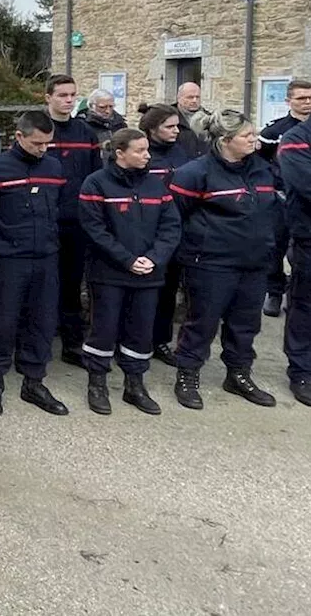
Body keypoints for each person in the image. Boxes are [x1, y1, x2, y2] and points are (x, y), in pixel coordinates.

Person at [169, 110, 280, 410]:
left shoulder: (261, 169)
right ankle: (187, 374)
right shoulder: (194, 173)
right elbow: (174, 217)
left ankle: (238, 374)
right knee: (201, 322)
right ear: (226, 140)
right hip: (210, 263)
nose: (255, 140)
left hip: (254, 262)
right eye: (247, 136)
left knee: (245, 324)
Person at [0, 111, 69, 416]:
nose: (43, 149)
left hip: (46, 256)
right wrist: (1, 244)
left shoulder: (53, 167)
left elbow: (59, 208)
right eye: (37, 143)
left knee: (42, 320)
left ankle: (34, 380)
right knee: (3, 319)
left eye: (48, 144)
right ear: (19, 137)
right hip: (8, 259)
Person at [77, 128, 181, 416]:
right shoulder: (95, 184)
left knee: (141, 331)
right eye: (140, 150)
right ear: (120, 153)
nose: (147, 155)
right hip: (108, 273)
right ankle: (96, 383)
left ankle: (134, 385)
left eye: (147, 149)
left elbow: (171, 226)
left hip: (148, 275)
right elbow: (94, 230)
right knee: (104, 329)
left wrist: (154, 258)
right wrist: (127, 259)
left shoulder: (156, 186)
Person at [43, 74, 102, 367]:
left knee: (71, 286)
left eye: (72, 95)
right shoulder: (39, 131)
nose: (68, 100)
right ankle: (35, 343)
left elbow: (96, 178)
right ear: (48, 98)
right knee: (40, 285)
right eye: (62, 95)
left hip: (76, 222)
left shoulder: (86, 133)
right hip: (43, 222)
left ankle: (72, 344)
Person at [136, 103, 195, 368]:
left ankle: (160, 339)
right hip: (143, 230)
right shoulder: (142, 155)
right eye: (169, 127)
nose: (175, 131)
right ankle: (133, 338)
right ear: (152, 129)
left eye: (177, 126)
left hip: (175, 230)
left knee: (168, 290)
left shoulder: (182, 152)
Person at [259, 79, 311, 317]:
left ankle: (297, 294)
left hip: (306, 204)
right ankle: (274, 292)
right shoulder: (274, 131)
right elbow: (259, 163)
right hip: (280, 200)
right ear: (288, 100)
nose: (308, 103)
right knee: (276, 247)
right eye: (302, 98)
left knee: (302, 252)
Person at [277, 107, 311, 407]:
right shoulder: (296, 139)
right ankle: (302, 370)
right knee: (306, 305)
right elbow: (306, 185)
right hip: (310, 237)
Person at [175, 82, 211, 156]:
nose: (194, 100)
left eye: (197, 97)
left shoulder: (209, 118)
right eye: (190, 97)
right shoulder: (169, 116)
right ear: (179, 98)